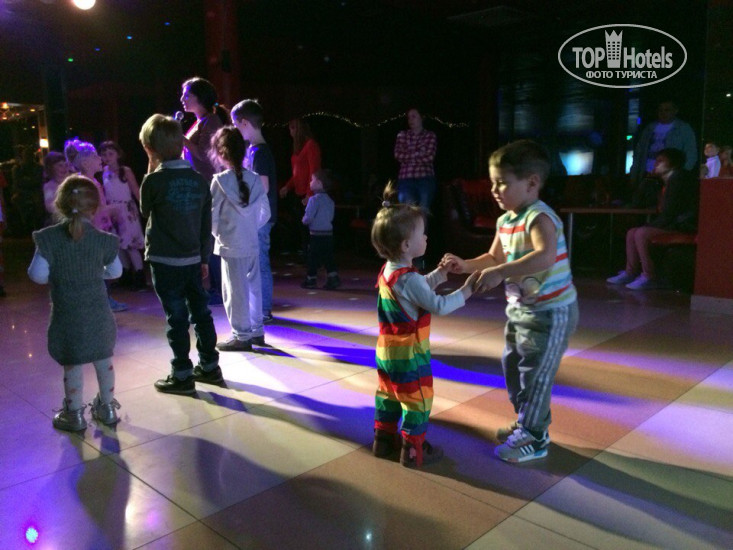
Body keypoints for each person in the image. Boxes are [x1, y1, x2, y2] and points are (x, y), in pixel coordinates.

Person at [441, 140, 579, 464]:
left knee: (536, 374)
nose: (494, 190)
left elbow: (544, 256)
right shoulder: (505, 221)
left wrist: (501, 272)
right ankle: (528, 420)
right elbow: (493, 257)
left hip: (551, 312)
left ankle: (535, 435)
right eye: (493, 183)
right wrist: (465, 265)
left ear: (531, 183)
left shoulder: (539, 218)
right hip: (520, 310)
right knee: (513, 368)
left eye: (502, 183)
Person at [370, 181, 479, 468]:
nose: (426, 237)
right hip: (409, 354)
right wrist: (467, 290)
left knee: (388, 395)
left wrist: (440, 273)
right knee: (417, 400)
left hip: (386, 352)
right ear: (407, 245)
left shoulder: (389, 271)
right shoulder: (410, 278)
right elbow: (437, 304)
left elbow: (416, 291)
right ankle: (413, 449)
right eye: (422, 234)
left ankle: (383, 440)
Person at [28, 176, 122, 431]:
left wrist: (61, 275)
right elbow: (116, 272)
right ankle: (107, 408)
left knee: (72, 364)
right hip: (99, 316)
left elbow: (37, 275)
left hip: (67, 317)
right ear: (95, 207)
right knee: (104, 361)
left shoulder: (49, 238)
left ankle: (74, 414)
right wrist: (95, 273)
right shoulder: (103, 240)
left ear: (59, 204)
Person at [139, 114, 221, 394]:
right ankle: (210, 366)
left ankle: (182, 374)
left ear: (150, 149)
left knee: (176, 317)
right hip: (193, 259)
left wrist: (151, 168)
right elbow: (205, 225)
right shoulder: (199, 181)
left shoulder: (153, 181)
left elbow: (145, 210)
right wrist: (204, 257)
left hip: (164, 261)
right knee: (201, 313)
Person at [209, 126, 270, 352]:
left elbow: (212, 217)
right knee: (254, 288)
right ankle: (256, 331)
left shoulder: (219, 181)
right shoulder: (254, 179)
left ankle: (241, 336)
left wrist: (219, 234)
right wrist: (251, 227)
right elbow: (266, 212)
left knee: (234, 292)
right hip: (251, 242)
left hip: (230, 245)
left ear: (221, 153)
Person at [607, 147, 698, 290]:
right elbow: (640, 202)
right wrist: (647, 180)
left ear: (673, 164)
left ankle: (649, 276)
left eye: (660, 161)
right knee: (632, 232)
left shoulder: (679, 179)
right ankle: (630, 272)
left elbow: (670, 213)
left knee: (641, 233)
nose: (655, 164)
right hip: (671, 223)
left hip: (682, 225)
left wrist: (650, 226)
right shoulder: (663, 182)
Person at [180, 76, 228, 305]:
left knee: (211, 240)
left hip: (209, 190)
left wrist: (181, 139)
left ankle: (218, 289)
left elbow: (205, 157)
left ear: (200, 97)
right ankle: (213, 288)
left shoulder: (211, 122)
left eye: (187, 95)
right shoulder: (200, 122)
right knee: (205, 239)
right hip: (199, 189)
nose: (182, 99)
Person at [66, 139, 128, 313]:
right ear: (86, 162)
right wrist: (115, 209)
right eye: (95, 156)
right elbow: (93, 211)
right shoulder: (86, 183)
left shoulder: (89, 181)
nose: (100, 158)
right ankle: (101, 301)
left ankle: (102, 299)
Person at [231, 99, 278, 323]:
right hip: (258, 217)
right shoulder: (254, 150)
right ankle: (259, 308)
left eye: (236, 125)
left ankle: (264, 310)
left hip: (261, 217)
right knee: (256, 262)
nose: (236, 131)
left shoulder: (259, 152)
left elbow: (263, 186)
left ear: (244, 123)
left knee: (260, 263)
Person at [100, 141, 146, 289]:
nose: (107, 157)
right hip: (112, 211)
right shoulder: (104, 171)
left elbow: (135, 190)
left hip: (126, 210)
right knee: (119, 245)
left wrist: (144, 208)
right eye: (104, 154)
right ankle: (125, 275)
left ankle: (139, 276)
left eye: (111, 154)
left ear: (118, 155)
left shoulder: (125, 171)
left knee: (131, 244)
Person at [629, 101, 697, 189]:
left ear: (675, 111)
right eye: (660, 110)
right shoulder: (649, 128)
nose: (663, 113)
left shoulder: (683, 128)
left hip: (669, 177)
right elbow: (639, 152)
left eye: (667, 110)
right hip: (647, 174)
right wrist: (634, 174)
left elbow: (691, 153)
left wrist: (681, 175)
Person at [279, 118, 321, 255]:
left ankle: (311, 256)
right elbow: (297, 174)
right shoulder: (298, 148)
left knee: (308, 229)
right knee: (300, 227)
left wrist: (310, 194)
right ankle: (304, 254)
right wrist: (287, 186)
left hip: (307, 194)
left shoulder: (310, 145)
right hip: (299, 193)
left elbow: (314, 171)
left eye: (293, 128)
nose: (290, 131)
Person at [301, 169, 340, 290]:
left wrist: (304, 220)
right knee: (328, 257)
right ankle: (333, 278)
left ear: (319, 183)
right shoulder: (330, 200)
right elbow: (331, 217)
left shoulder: (313, 200)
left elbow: (308, 218)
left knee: (312, 258)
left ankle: (311, 279)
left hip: (316, 235)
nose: (310, 182)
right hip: (328, 234)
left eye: (312, 180)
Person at [393, 107, 438, 212]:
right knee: (407, 212)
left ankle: (422, 224)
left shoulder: (430, 135)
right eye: (409, 117)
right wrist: (419, 153)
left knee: (423, 211)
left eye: (414, 116)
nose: (410, 120)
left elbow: (429, 157)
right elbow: (398, 155)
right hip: (406, 178)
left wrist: (408, 156)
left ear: (421, 118)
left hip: (425, 178)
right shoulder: (402, 135)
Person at [42, 151, 69, 225]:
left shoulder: (71, 183)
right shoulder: (49, 186)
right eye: (60, 165)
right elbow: (50, 207)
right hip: (58, 222)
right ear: (51, 168)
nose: (64, 168)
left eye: (66, 165)